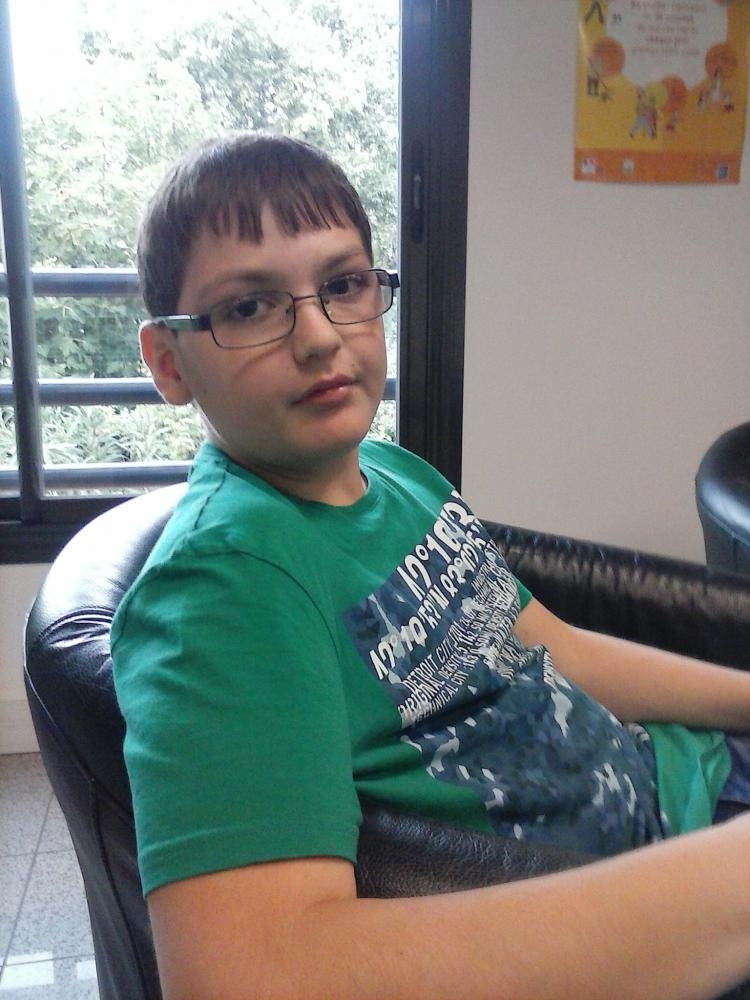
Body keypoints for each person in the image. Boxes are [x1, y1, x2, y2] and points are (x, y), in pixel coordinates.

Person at [111, 131, 750, 1000]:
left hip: (692, 785)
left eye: (343, 285)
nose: (318, 337)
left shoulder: (396, 474)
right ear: (168, 362)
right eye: (250, 307)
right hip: (652, 915)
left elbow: (555, 648)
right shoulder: (222, 588)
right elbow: (248, 972)